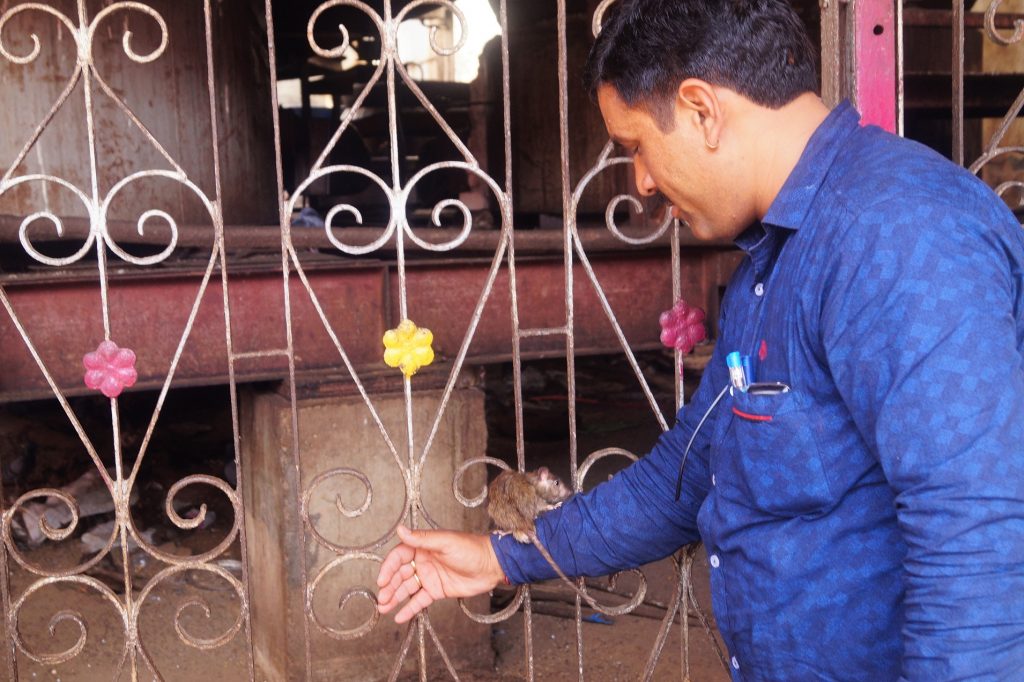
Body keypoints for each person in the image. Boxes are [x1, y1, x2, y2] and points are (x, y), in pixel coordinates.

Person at [377, 0, 1024, 678]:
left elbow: (977, 543)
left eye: (635, 148)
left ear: (701, 110)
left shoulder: (897, 234)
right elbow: (685, 477)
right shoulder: (774, 264)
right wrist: (502, 557)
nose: (644, 183)